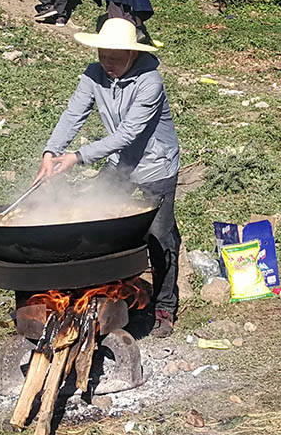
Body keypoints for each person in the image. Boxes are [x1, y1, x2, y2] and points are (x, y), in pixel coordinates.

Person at [35, 18, 181, 338]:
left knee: (159, 235)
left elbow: (128, 134)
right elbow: (73, 114)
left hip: (156, 167)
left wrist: (77, 156)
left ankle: (164, 307)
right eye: (103, 56)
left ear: (132, 55)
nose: (108, 64)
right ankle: (108, 290)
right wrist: (52, 151)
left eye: (115, 59)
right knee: (94, 217)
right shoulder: (93, 75)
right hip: (119, 163)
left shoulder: (149, 82)